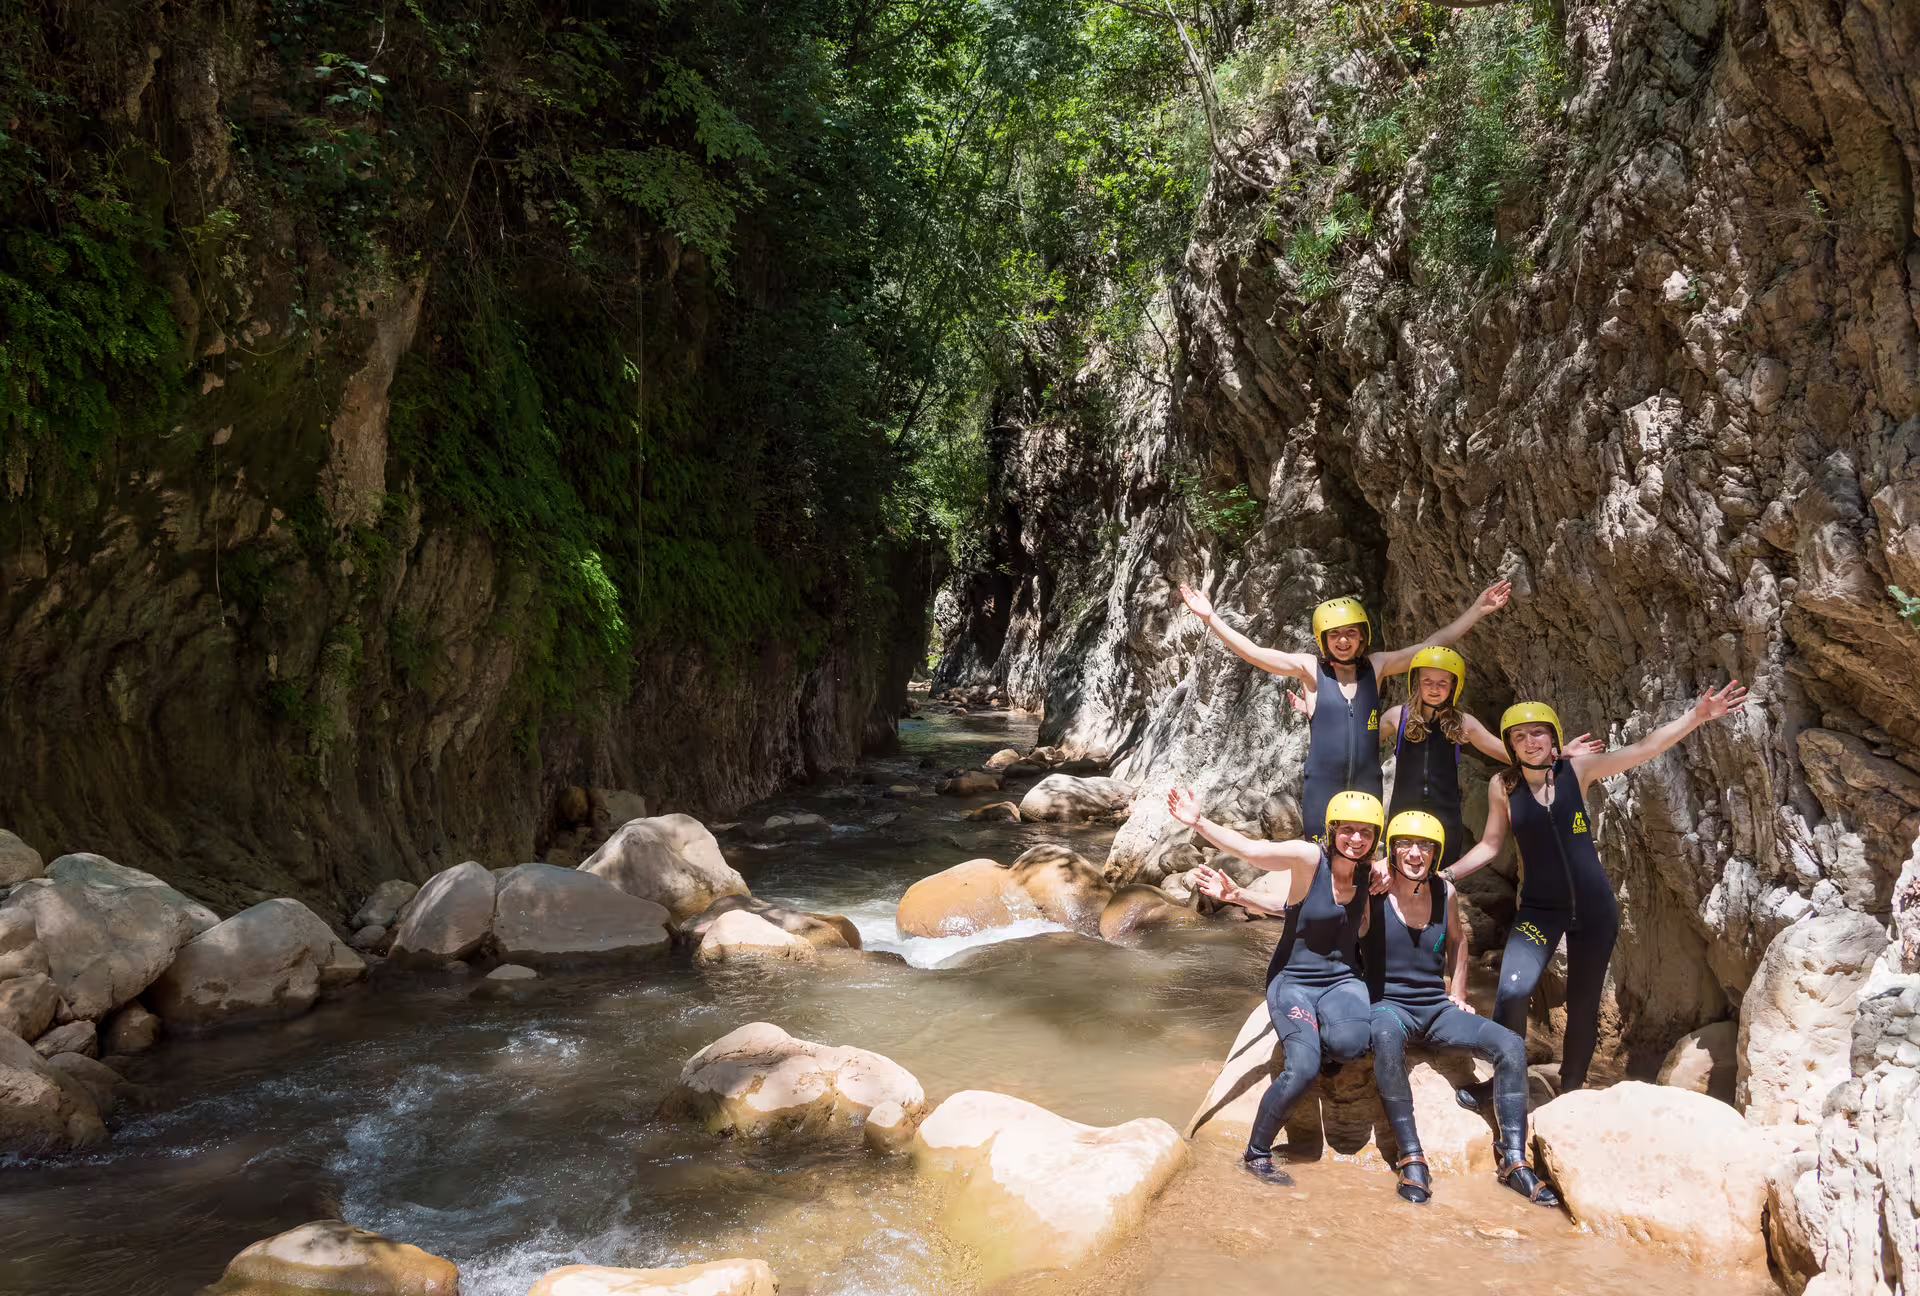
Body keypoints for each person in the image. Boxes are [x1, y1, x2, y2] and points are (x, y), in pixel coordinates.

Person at [1444, 683, 1749, 1099]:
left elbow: (1642, 749)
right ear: (1510, 746)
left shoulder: (1577, 771)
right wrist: (1447, 874)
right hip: (1539, 912)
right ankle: (1502, 1082)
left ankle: (1570, 1092)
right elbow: (1490, 844)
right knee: (1513, 991)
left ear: (1553, 737)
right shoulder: (1504, 786)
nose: (1530, 742)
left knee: (1584, 1006)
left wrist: (1695, 716)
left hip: (1594, 911)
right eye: (1519, 736)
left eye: (1538, 733)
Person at [1176, 581, 1513, 841]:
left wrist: (1477, 610)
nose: (1343, 641)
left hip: (1367, 784)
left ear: (1362, 636)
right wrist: (1210, 618)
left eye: (1350, 633)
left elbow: (1431, 646)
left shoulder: (1377, 667)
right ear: (1323, 639)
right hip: (1323, 786)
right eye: (1334, 634)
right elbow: (1254, 653)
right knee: (1322, 861)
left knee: (1362, 858)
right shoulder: (1310, 669)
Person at [1170, 785, 1383, 1186]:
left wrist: (1241, 897)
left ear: (1375, 838)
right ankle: (1255, 1153)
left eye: (1366, 832)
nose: (1356, 838)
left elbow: (1290, 910)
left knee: (1352, 1045)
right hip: (1295, 982)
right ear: (1332, 829)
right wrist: (1198, 822)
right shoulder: (1308, 858)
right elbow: (1252, 850)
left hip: (1342, 982)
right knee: (1302, 1068)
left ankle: (1325, 1040)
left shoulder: (1373, 874)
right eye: (1348, 829)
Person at [1362, 810, 1556, 1206]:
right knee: (1383, 1037)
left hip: (1435, 1009)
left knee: (1510, 1044)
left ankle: (1514, 1162)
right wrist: (1374, 866)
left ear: (1436, 853)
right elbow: (1339, 872)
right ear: (1393, 850)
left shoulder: (1444, 892)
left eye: (1425, 847)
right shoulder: (1374, 887)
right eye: (1405, 845)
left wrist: (1460, 994)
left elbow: (1458, 942)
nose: (1416, 854)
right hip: (1390, 1007)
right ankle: (1411, 1156)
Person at [1376, 646, 1602, 873]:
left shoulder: (1463, 723)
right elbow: (1362, 747)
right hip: (1402, 814)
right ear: (1416, 683)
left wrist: (1559, 753)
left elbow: (1512, 754)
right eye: (1428, 681)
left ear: (1454, 685)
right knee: (1395, 877)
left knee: (1437, 882)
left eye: (1442, 683)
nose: (1435, 689)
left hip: (1445, 819)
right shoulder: (1397, 717)